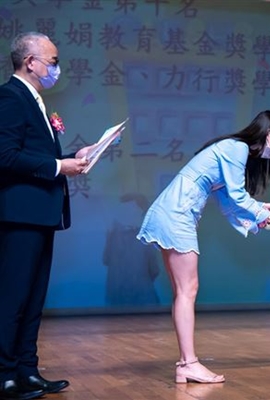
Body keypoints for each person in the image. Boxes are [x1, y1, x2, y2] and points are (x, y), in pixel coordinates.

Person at [136, 110, 270, 384]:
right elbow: (237, 196)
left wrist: (263, 214)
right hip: (177, 214)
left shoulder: (232, 149)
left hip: (174, 213)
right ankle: (189, 363)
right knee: (187, 290)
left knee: (183, 292)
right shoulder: (238, 148)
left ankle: (186, 363)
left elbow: (230, 204)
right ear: (268, 134)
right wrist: (268, 217)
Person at [0, 32, 93, 400]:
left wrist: (71, 157)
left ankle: (27, 369)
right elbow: (5, 156)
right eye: (53, 61)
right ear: (30, 62)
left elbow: (35, 154)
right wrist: (58, 166)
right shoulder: (11, 96)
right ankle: (5, 375)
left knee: (34, 297)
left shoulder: (34, 99)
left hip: (39, 213)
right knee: (13, 297)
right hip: (20, 214)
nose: (57, 68)